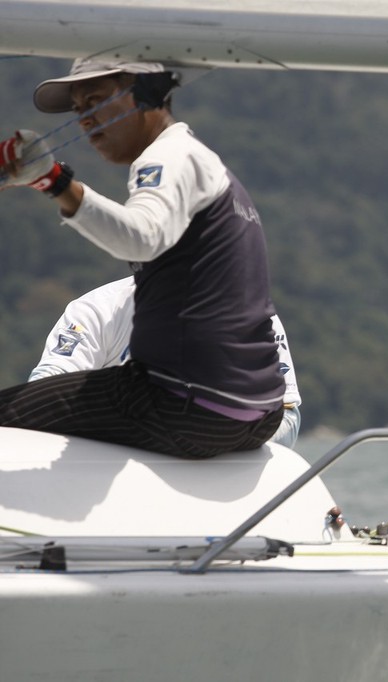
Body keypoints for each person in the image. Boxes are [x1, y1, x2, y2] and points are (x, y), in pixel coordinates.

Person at [0, 58, 284, 458]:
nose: (84, 120)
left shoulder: (168, 156)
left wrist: (53, 181)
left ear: (147, 92)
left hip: (184, 407)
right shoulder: (204, 164)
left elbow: (142, 238)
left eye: (95, 100)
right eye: (79, 109)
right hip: (258, 416)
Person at [29, 277, 303, 448]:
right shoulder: (96, 309)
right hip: (105, 458)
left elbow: (287, 416)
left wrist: (203, 442)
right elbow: (46, 386)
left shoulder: (253, 316)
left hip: (213, 453)